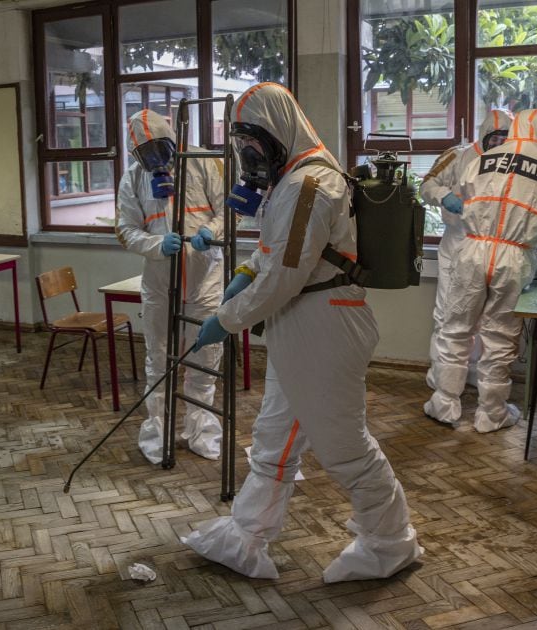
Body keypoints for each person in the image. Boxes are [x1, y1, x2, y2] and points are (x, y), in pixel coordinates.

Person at [181, 83, 422, 582]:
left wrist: (226, 320)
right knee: (275, 437)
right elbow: (274, 255)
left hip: (325, 326)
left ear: (279, 132)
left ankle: (390, 541)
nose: (249, 156)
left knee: (343, 446)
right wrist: (244, 275)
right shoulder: (290, 181)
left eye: (255, 144)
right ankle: (248, 535)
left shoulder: (310, 185)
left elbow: (285, 275)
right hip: (301, 322)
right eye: (242, 145)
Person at [425, 109, 537, 432]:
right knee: (499, 336)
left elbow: (463, 191)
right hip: (513, 257)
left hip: (472, 248)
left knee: (455, 327)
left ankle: (444, 403)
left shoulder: (484, 158)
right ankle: (491, 413)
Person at [115, 109, 226, 464]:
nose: (156, 159)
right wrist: (156, 245)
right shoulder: (133, 178)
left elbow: (230, 209)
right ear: (136, 154)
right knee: (158, 360)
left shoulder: (203, 163)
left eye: (160, 148)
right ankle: (157, 435)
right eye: (146, 153)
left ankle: (201, 433)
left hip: (204, 277)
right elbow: (126, 230)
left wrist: (212, 231)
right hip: (159, 280)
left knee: (205, 359)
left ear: (174, 140)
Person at [421, 110, 513, 391]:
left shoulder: (513, 162)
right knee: (449, 312)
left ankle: (471, 375)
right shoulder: (457, 155)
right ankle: (442, 377)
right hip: (458, 241)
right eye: (495, 137)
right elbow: (426, 185)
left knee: (485, 317)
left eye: (504, 138)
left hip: (494, 244)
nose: (499, 142)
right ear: (484, 134)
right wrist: (444, 196)